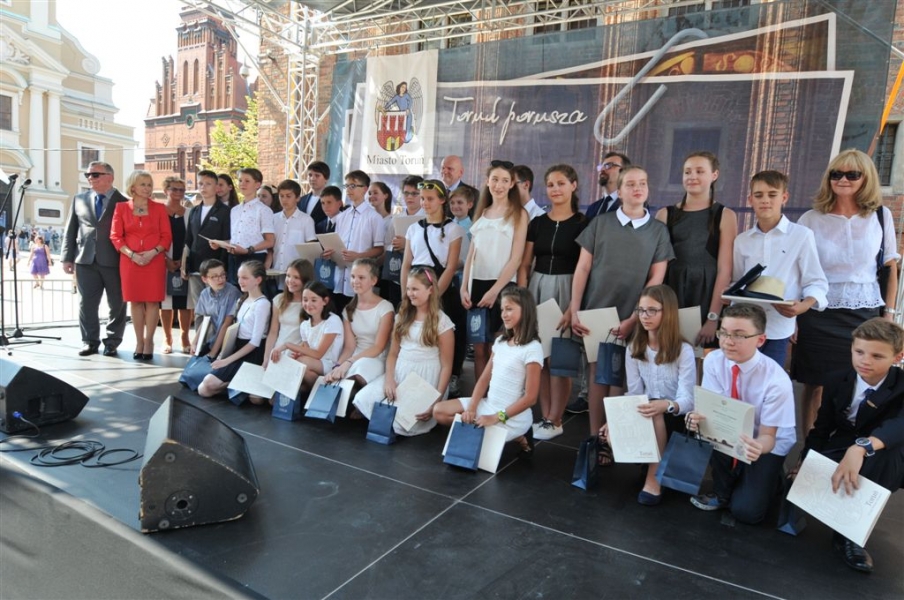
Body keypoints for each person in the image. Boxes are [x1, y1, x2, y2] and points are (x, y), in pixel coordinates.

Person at [571, 165, 674, 465]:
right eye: (630, 184)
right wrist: (575, 308)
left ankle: (614, 437)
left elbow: (656, 278)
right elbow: (583, 267)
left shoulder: (658, 230)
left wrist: (634, 317)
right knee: (597, 375)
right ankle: (596, 439)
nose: (637, 188)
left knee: (621, 379)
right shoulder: (600, 223)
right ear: (619, 190)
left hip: (636, 315)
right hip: (598, 310)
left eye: (642, 183)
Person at [794, 149, 900, 434]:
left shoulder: (881, 216)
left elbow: (889, 267)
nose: (843, 179)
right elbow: (797, 271)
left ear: (866, 179)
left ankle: (852, 445)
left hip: (864, 311)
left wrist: (888, 315)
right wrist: (796, 317)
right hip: (818, 312)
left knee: (863, 380)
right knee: (815, 384)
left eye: (852, 174)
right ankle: (810, 447)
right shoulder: (810, 219)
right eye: (836, 174)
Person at [800, 318, 904, 573]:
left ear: (898, 356)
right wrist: (804, 461)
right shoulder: (838, 379)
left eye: (877, 356)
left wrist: (861, 448)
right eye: (859, 352)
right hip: (843, 443)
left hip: (886, 448)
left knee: (884, 457)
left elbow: (899, 426)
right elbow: (822, 427)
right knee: (802, 488)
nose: (865, 361)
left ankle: (849, 534)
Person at [686, 303, 796, 524]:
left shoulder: (776, 381)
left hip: (764, 442)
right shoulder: (714, 361)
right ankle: (723, 490)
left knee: (747, 513)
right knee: (707, 429)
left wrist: (758, 448)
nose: (728, 341)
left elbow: (769, 436)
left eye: (739, 335)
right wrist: (695, 419)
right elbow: (712, 412)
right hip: (728, 432)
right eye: (724, 333)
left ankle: (772, 478)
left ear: (760, 340)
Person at [602, 285, 695, 505]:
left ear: (668, 312)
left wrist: (666, 405)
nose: (644, 316)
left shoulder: (683, 350)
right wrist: (613, 420)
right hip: (648, 410)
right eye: (641, 310)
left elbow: (688, 400)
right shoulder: (634, 347)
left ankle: (654, 480)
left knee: (654, 411)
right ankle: (649, 461)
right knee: (614, 431)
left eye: (652, 310)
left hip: (676, 416)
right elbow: (634, 393)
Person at [518, 164, 588, 440]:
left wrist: (573, 306)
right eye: (550, 184)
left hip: (568, 290)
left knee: (562, 359)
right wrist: (523, 297)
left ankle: (556, 418)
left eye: (561, 183)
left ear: (573, 185)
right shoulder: (537, 223)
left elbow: (586, 267)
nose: (555, 189)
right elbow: (525, 264)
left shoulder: (583, 224)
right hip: (537, 288)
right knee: (542, 358)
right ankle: (546, 417)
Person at [731, 170, 828, 369]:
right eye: (759, 195)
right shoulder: (742, 240)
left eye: (772, 194)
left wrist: (804, 306)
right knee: (740, 381)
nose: (765, 200)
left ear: (784, 197)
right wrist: (730, 293)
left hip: (778, 327)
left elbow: (816, 281)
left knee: (770, 381)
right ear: (750, 199)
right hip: (744, 327)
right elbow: (737, 280)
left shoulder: (801, 235)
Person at [434, 286, 542, 452]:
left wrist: (495, 417)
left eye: (509, 309)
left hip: (510, 416)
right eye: (502, 309)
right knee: (439, 411)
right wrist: (472, 408)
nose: (504, 314)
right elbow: (484, 379)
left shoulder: (532, 348)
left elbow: (531, 398)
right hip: (488, 405)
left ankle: (520, 435)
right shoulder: (500, 342)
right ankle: (487, 429)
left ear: (525, 310)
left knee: (480, 441)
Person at [353, 266, 454, 436]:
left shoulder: (442, 322)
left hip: (425, 377)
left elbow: (446, 366)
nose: (410, 293)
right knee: (362, 400)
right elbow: (393, 353)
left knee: (398, 423)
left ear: (430, 290)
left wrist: (436, 399)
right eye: (408, 289)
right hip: (401, 370)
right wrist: (389, 379)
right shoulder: (402, 316)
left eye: (415, 289)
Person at [655, 151, 737, 348]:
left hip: (706, 295)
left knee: (701, 356)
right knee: (668, 355)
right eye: (687, 172)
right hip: (671, 293)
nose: (692, 176)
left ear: (714, 175)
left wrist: (713, 317)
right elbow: (656, 267)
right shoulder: (665, 214)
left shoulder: (725, 215)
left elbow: (724, 270)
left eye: (700, 171)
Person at [461, 160, 529, 382]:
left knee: (498, 348)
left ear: (512, 184)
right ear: (487, 181)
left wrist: (495, 291)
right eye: (495, 179)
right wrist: (464, 287)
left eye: (505, 180)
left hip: (503, 287)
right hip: (477, 285)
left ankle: (499, 394)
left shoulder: (519, 214)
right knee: (479, 348)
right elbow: (472, 253)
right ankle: (480, 395)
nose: (499, 185)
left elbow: (516, 258)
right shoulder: (482, 212)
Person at [401, 179, 466, 397]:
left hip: (440, 286)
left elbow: (451, 266)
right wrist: (406, 294)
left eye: (430, 199)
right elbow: (406, 264)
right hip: (416, 283)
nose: (425, 203)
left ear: (442, 200)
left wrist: (435, 294)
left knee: (448, 330)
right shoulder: (413, 229)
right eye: (422, 199)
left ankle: (451, 374)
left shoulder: (454, 229)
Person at [62, 161, 129, 357]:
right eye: (88, 175)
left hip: (115, 261)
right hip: (85, 260)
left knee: (117, 304)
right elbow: (70, 229)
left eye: (95, 174)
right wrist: (67, 257)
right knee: (86, 304)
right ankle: (89, 341)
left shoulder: (124, 201)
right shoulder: (79, 199)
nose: (90, 178)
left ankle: (112, 341)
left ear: (110, 177)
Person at [110, 170, 173, 360]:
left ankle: (150, 341)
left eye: (149, 184)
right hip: (130, 261)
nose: (147, 188)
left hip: (154, 260)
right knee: (135, 302)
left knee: (152, 302)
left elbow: (166, 236)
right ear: (133, 187)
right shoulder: (121, 207)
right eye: (143, 184)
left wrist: (153, 252)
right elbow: (115, 236)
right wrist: (132, 255)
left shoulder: (159, 208)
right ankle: (139, 342)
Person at [198, 260, 271, 398]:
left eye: (245, 278)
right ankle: (238, 384)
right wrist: (223, 355)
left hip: (252, 352)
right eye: (239, 277)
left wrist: (227, 361)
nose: (240, 281)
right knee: (203, 389)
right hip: (237, 348)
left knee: (208, 387)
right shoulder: (242, 300)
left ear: (258, 280)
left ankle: (240, 384)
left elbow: (255, 342)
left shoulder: (262, 304)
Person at [324, 258, 394, 392]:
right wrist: (338, 366)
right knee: (336, 376)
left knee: (359, 370)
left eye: (361, 277)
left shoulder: (385, 308)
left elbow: (378, 347)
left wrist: (349, 362)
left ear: (373, 280)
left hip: (376, 358)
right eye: (353, 276)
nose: (355, 281)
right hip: (354, 357)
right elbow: (349, 347)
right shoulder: (348, 310)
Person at [255, 258, 313, 405]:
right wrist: (266, 358)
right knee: (255, 398)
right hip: (278, 352)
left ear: (305, 279)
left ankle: (303, 389)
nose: (290, 281)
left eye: (296, 277)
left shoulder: (310, 303)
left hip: (296, 354)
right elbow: (273, 332)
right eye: (288, 276)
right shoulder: (279, 300)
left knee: (273, 401)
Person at [326, 170, 384, 312]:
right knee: (338, 313)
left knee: (356, 315)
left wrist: (358, 256)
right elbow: (337, 243)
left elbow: (379, 249)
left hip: (360, 279)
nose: (349, 190)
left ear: (364, 189)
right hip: (339, 276)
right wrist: (330, 253)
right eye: (346, 186)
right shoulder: (342, 216)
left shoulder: (374, 217)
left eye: (353, 186)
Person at [270, 281, 344, 393]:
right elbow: (308, 350)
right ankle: (313, 392)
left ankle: (311, 391)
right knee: (296, 363)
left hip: (330, 364)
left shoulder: (332, 321)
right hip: (314, 364)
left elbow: (318, 354)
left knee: (301, 362)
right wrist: (300, 353)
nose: (308, 304)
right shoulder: (305, 325)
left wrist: (287, 345)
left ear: (325, 301)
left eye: (313, 300)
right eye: (305, 300)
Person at [182, 170, 231, 311]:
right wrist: (184, 265)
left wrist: (223, 268)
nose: (203, 187)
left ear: (216, 187)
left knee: (216, 306)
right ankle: (200, 327)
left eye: (208, 184)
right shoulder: (194, 211)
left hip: (215, 268)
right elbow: (188, 240)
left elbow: (228, 239)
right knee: (199, 307)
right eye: (201, 183)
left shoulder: (225, 211)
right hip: (195, 267)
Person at [225, 168, 275, 284]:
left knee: (251, 291)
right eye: (240, 180)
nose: (242, 184)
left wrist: (248, 250)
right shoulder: (234, 210)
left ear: (257, 184)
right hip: (234, 258)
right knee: (234, 290)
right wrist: (221, 243)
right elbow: (237, 237)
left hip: (253, 258)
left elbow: (270, 241)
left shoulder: (263, 210)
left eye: (247, 181)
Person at [160, 176, 192, 354]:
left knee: (185, 302)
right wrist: (166, 260)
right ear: (166, 191)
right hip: (162, 262)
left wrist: (183, 261)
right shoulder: (158, 211)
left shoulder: (189, 213)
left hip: (184, 263)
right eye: (174, 189)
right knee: (166, 303)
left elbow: (192, 239)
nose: (178, 193)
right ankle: (167, 338)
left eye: (181, 189)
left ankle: (185, 337)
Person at [382, 175, 424, 308]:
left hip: (421, 275)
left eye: (415, 193)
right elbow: (387, 244)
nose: (409, 197)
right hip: (397, 275)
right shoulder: (396, 218)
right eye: (406, 193)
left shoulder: (427, 218)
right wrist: (394, 246)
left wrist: (407, 245)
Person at [269, 179, 317, 289]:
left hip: (296, 275)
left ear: (298, 198)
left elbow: (310, 249)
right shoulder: (273, 218)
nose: (284, 200)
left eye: (288, 196)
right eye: (281, 196)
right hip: (276, 271)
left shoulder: (306, 220)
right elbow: (270, 246)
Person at [191, 258, 241, 357]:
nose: (220, 279)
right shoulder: (204, 294)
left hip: (229, 342)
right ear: (204, 279)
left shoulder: (232, 292)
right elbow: (205, 321)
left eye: (223, 274)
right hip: (212, 340)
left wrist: (213, 353)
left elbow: (226, 324)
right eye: (214, 276)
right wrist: (195, 342)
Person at [585, 152, 631, 219]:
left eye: (609, 165)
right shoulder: (592, 208)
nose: (602, 170)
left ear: (623, 171)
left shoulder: (632, 206)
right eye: (601, 166)